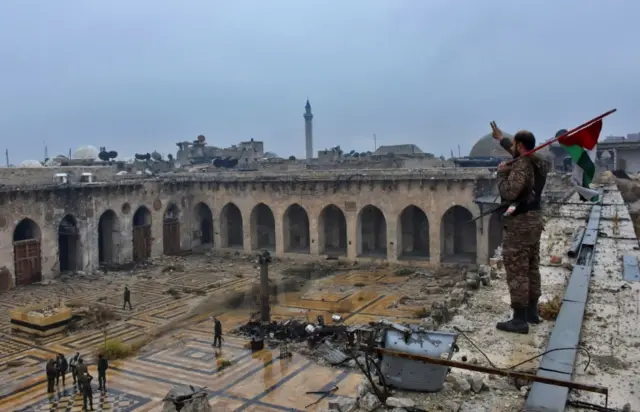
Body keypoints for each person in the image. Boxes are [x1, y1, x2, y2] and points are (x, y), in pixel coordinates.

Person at [491, 122, 548, 334]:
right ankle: (532, 312)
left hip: (521, 222)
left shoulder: (522, 165)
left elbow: (510, 193)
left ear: (521, 146)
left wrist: (502, 173)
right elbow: (521, 153)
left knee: (517, 269)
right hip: (534, 220)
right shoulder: (538, 162)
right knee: (532, 266)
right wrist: (501, 139)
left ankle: (519, 319)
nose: (511, 148)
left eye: (514, 144)